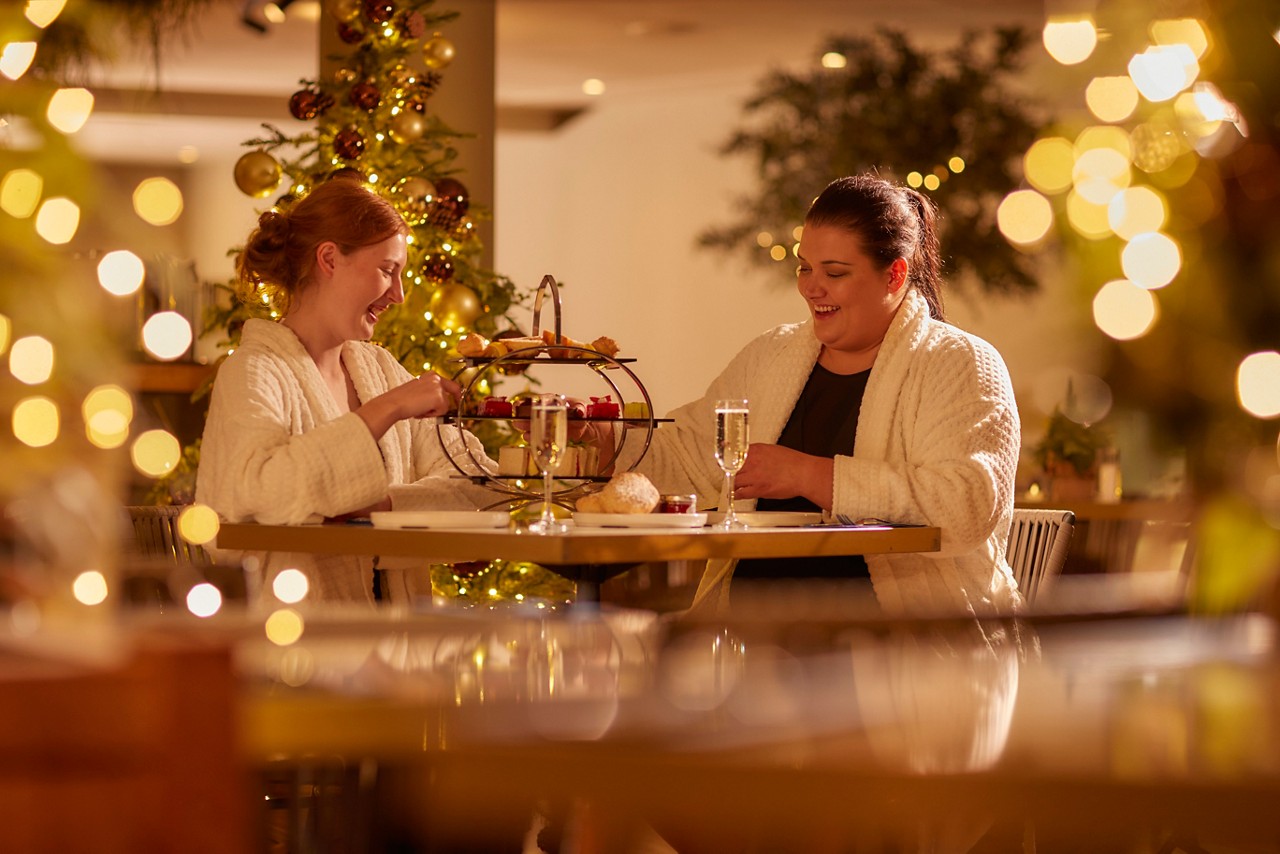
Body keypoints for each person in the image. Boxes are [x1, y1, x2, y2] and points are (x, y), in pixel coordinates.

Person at [619, 173, 1023, 616]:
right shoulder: (773, 355)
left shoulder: (960, 362)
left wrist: (808, 476)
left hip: (898, 653)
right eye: (805, 269)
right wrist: (600, 443)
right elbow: (690, 454)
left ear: (895, 274)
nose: (811, 287)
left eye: (834, 272)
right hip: (752, 649)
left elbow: (965, 506)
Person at [196, 176, 494, 604]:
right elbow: (258, 494)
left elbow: (479, 485)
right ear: (330, 259)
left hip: (395, 648)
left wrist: (383, 508)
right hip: (295, 642)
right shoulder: (254, 371)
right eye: (388, 271)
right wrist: (387, 409)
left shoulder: (381, 370)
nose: (399, 295)